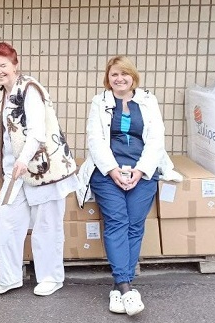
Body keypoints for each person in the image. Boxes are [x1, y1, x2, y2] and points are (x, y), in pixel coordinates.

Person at [0, 42, 78, 297]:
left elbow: (37, 133)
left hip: (44, 170)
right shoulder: (0, 95)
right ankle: (9, 277)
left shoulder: (30, 89)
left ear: (15, 65)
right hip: (15, 172)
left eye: (3, 65)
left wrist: (23, 160)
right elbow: (5, 136)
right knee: (8, 222)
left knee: (47, 226)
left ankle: (51, 278)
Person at [76, 55, 176, 316]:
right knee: (117, 221)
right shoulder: (100, 102)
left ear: (133, 77)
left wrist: (141, 170)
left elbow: (156, 139)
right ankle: (125, 285)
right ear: (107, 79)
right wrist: (112, 170)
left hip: (142, 171)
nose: (119, 79)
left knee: (134, 224)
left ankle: (120, 288)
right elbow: (95, 139)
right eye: (113, 75)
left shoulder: (148, 100)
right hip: (107, 172)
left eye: (124, 74)